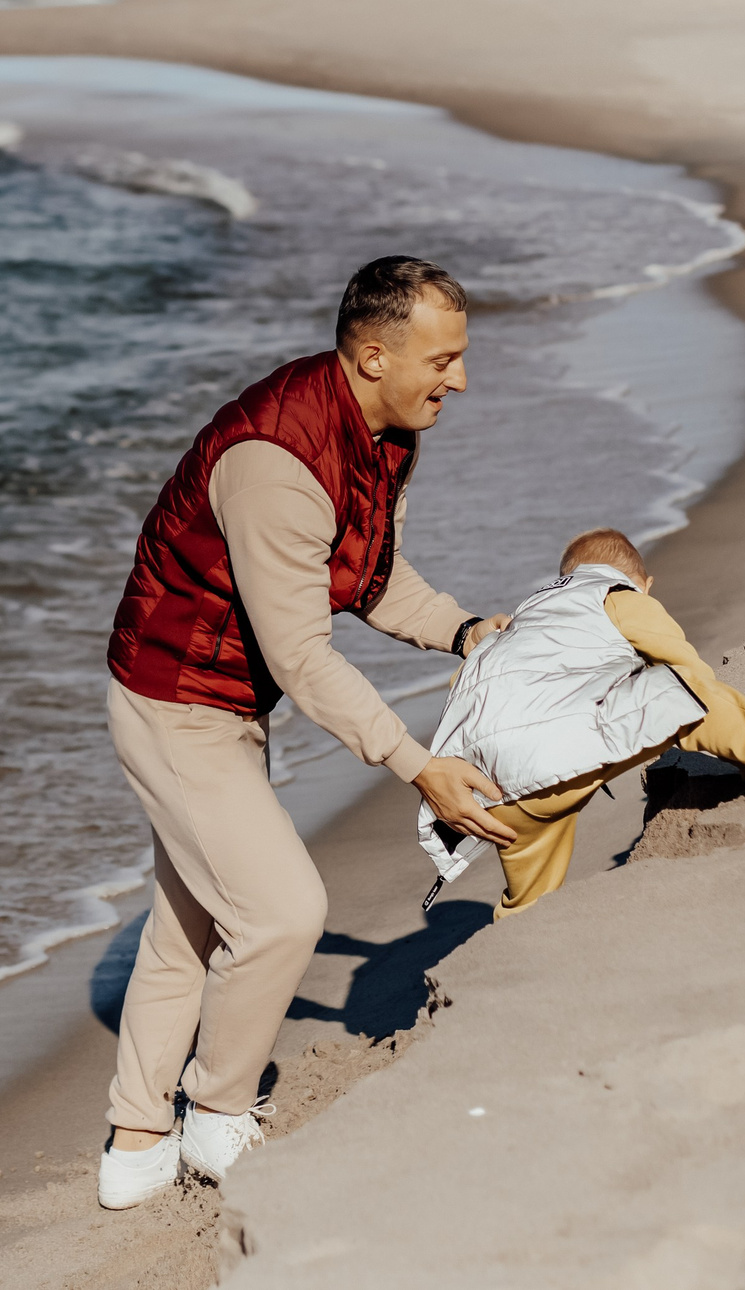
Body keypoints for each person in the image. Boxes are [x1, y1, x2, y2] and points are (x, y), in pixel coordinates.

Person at [95, 257, 515, 1211]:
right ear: (374, 355)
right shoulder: (278, 463)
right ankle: (217, 1115)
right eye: (443, 360)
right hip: (175, 702)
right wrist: (418, 767)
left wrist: (461, 629)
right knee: (282, 912)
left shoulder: (383, 429)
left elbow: (366, 577)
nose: (460, 380)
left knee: (191, 923)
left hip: (227, 705)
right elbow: (303, 657)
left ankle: (134, 1143)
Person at [418, 527, 745, 919]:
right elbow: (688, 673)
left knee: (530, 897)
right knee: (681, 690)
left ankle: (509, 953)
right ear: (644, 583)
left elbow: (465, 696)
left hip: (486, 794)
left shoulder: (515, 624)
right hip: (549, 756)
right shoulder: (615, 594)